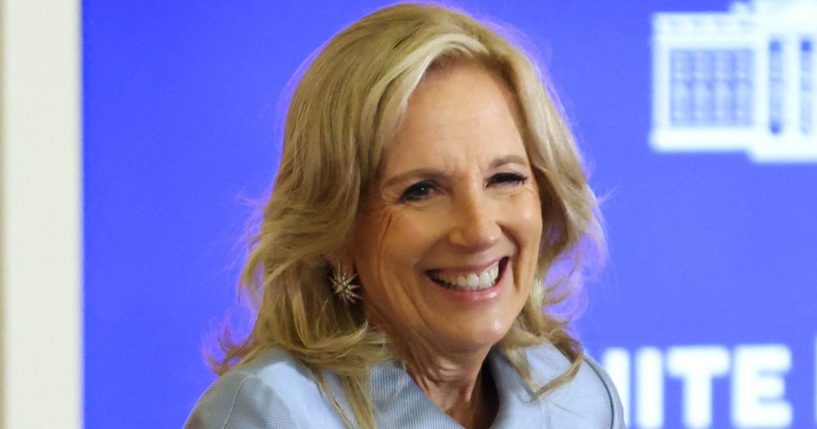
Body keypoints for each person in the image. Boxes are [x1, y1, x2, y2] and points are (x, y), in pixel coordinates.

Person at [185, 3, 624, 428]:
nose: (478, 231)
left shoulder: (581, 403)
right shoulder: (270, 416)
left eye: (505, 179)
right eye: (421, 190)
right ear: (336, 230)